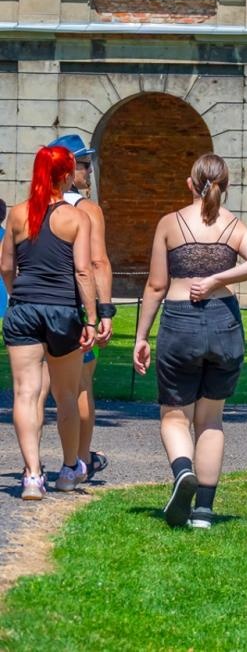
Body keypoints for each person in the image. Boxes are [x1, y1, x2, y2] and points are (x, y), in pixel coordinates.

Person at [133, 154, 247, 529]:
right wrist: (217, 280)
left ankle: (182, 473)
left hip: (181, 326)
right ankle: (204, 513)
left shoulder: (169, 224)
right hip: (224, 323)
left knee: (175, 415)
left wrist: (141, 336)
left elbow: (157, 285)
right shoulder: (234, 226)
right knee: (211, 419)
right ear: (224, 186)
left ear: (190, 183)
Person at [1, 146, 106, 500]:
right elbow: (82, 270)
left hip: (24, 309)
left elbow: (5, 267)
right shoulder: (77, 218)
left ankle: (31, 475)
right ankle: (67, 469)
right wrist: (92, 318)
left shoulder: (17, 215)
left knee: (26, 394)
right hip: (62, 311)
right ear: (65, 175)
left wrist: (20, 295)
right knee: (66, 394)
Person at [48, 134, 113, 482]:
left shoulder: (35, 205)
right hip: (74, 307)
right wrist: (104, 311)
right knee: (81, 385)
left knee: (36, 390)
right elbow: (98, 262)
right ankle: (80, 460)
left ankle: (32, 468)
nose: (89, 171)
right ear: (71, 168)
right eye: (85, 164)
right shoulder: (87, 210)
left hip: (39, 307)